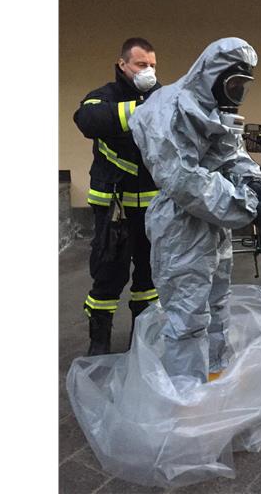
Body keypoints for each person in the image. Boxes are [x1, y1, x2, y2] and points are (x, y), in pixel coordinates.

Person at [129, 37, 261, 384]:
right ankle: (186, 396)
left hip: (214, 220)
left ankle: (213, 377)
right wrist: (248, 205)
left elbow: (232, 153)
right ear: (213, 74)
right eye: (234, 84)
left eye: (243, 86)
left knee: (216, 303)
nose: (237, 93)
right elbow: (183, 180)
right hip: (180, 225)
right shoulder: (167, 108)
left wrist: (256, 183)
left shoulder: (214, 108)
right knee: (187, 316)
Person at [73, 37, 163, 355]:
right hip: (114, 208)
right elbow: (87, 120)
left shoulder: (161, 97)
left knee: (149, 279)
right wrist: (141, 111)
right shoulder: (103, 97)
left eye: (152, 65)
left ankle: (142, 343)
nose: (148, 71)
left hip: (152, 209)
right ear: (122, 64)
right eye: (141, 64)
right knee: (108, 274)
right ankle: (99, 342)